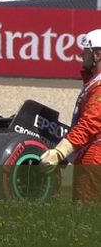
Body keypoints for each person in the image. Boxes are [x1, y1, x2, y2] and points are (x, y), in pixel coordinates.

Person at [41, 29, 101, 202]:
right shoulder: (94, 83)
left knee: (85, 213)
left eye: (85, 52)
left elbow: (90, 123)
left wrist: (59, 152)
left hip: (95, 155)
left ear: (97, 55)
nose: (82, 56)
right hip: (89, 151)